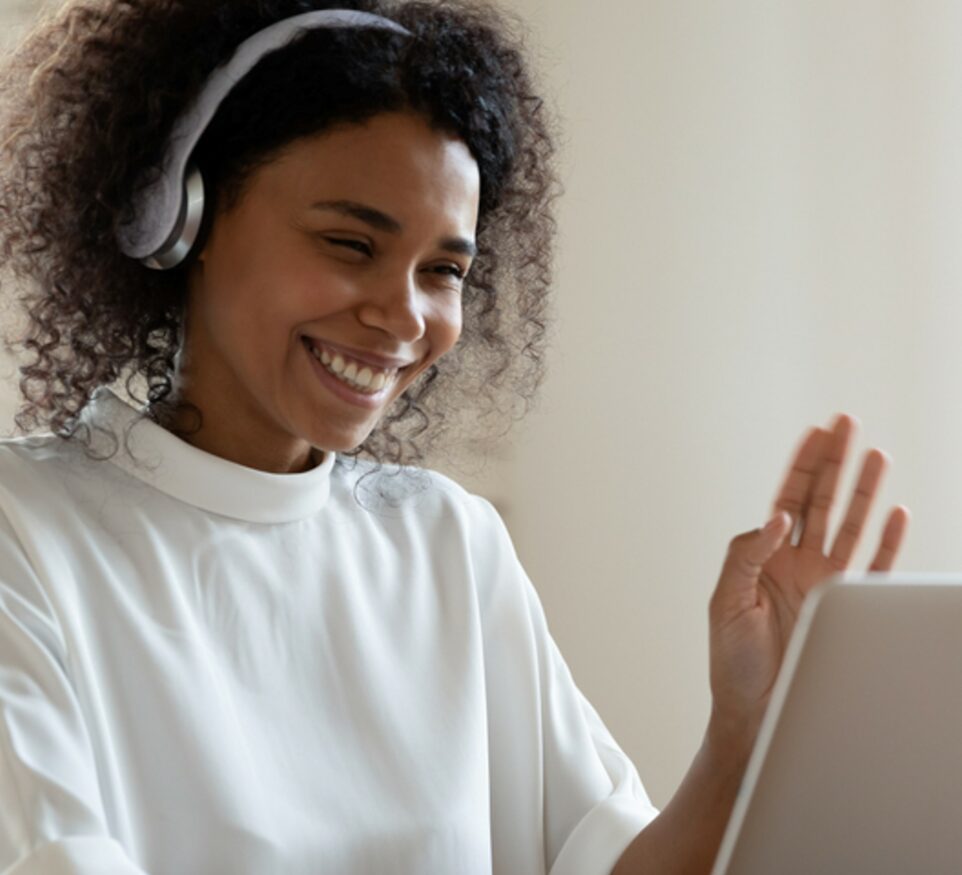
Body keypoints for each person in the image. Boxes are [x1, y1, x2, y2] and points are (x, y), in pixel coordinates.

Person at [0, 1, 909, 873]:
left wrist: (746, 736)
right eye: (350, 244)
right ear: (182, 221)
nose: (403, 315)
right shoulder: (27, 532)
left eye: (443, 269)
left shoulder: (447, 543)